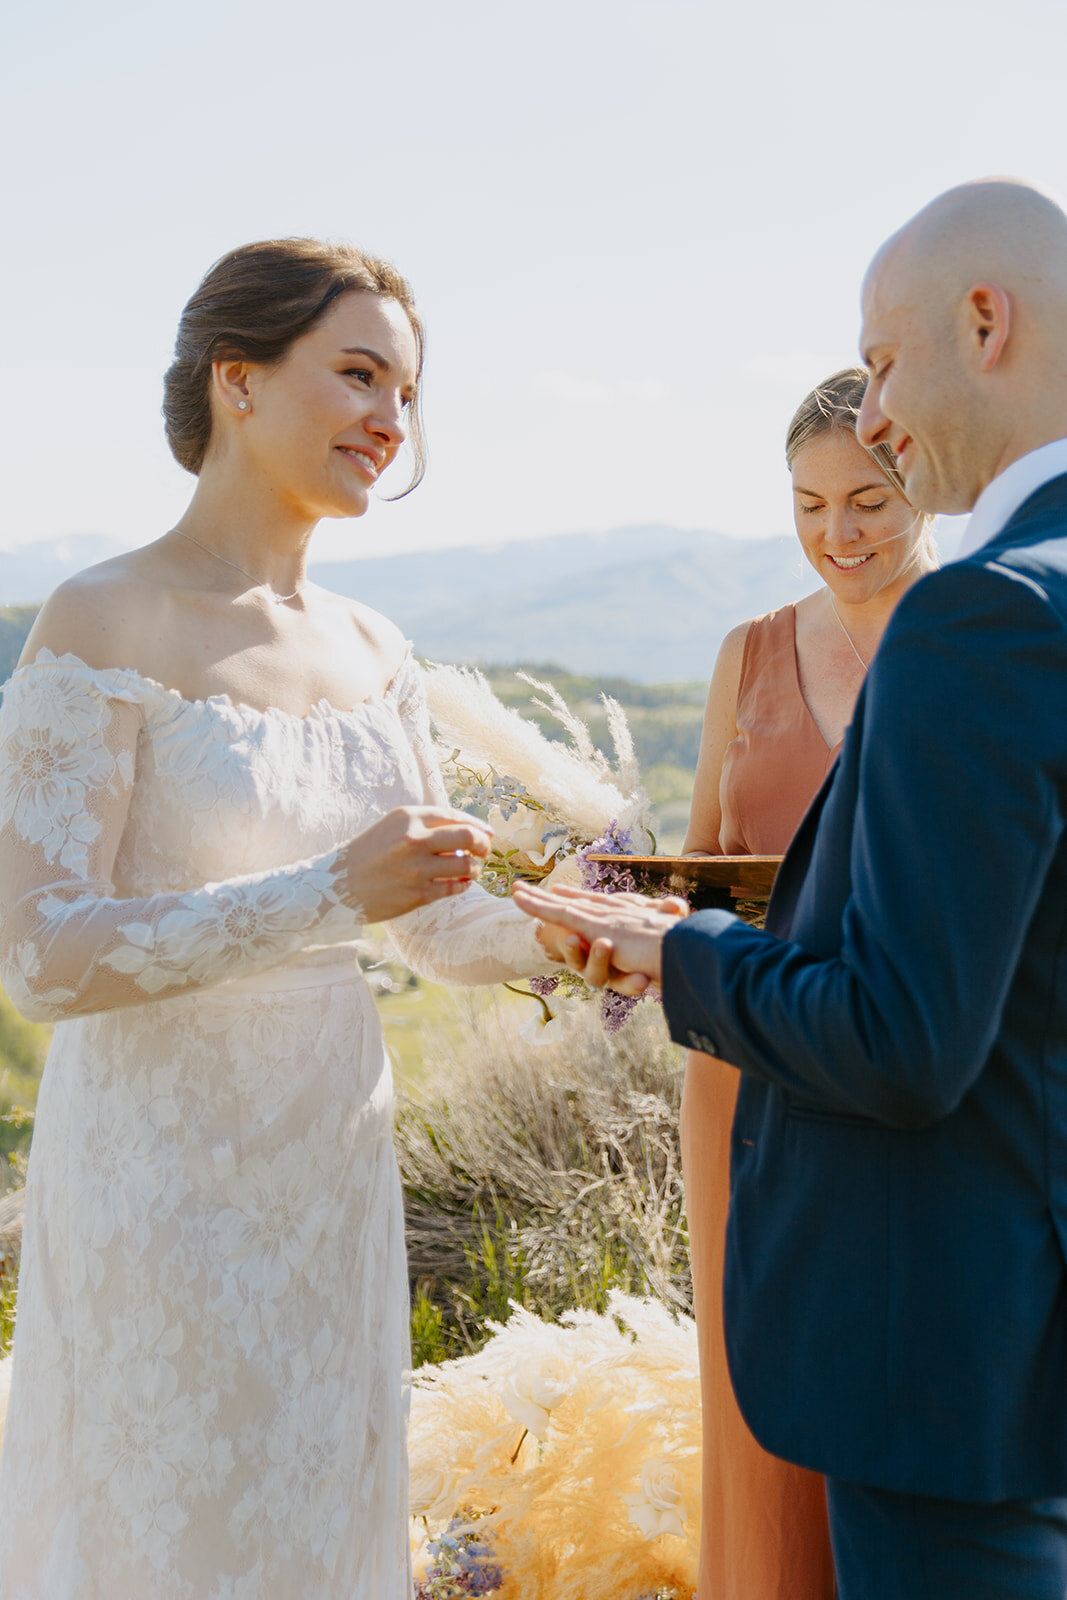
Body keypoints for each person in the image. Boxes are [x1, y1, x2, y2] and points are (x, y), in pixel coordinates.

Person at [514, 177, 1067, 1600]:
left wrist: (675, 946)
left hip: (959, 1346)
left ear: (983, 323)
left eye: (881, 364)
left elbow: (901, 1040)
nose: (874, 409)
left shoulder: (984, 616)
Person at [0, 238, 565, 1600]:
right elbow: (40, 954)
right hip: (158, 1191)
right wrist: (326, 896)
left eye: (407, 394)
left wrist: (610, 932)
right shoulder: (104, 614)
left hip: (329, 1176)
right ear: (236, 382)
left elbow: (431, 925)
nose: (392, 418)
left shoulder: (374, 648)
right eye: (360, 374)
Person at [681, 367, 937, 1600]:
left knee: (909, 1380)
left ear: (922, 483)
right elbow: (696, 866)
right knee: (756, 1382)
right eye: (806, 503)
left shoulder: (979, 642)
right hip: (739, 1073)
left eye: (868, 501)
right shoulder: (748, 653)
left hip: (914, 1065)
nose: (836, 534)